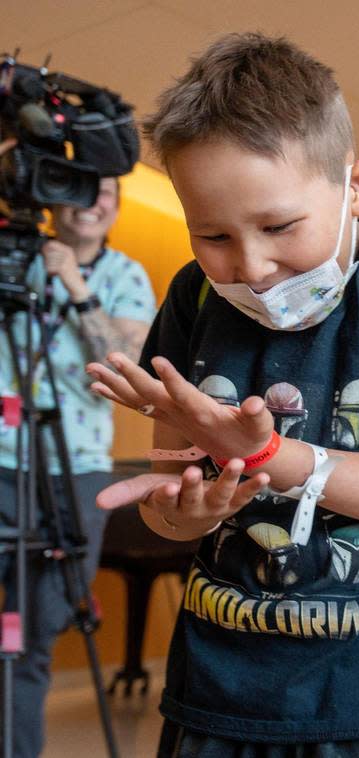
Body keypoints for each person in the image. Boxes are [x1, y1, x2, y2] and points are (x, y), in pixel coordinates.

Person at [85, 33, 359, 757]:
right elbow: (170, 500)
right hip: (214, 698)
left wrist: (271, 455)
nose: (250, 266)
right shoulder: (194, 295)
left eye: (280, 226)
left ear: (356, 185)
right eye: (211, 233)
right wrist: (183, 513)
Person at [0, 168, 156, 756]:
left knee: (38, 629)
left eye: (106, 193)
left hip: (78, 464)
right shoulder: (14, 260)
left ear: (116, 208)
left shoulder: (125, 276)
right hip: (2, 457)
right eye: (79, 190)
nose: (92, 203)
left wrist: (73, 282)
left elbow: (126, 364)